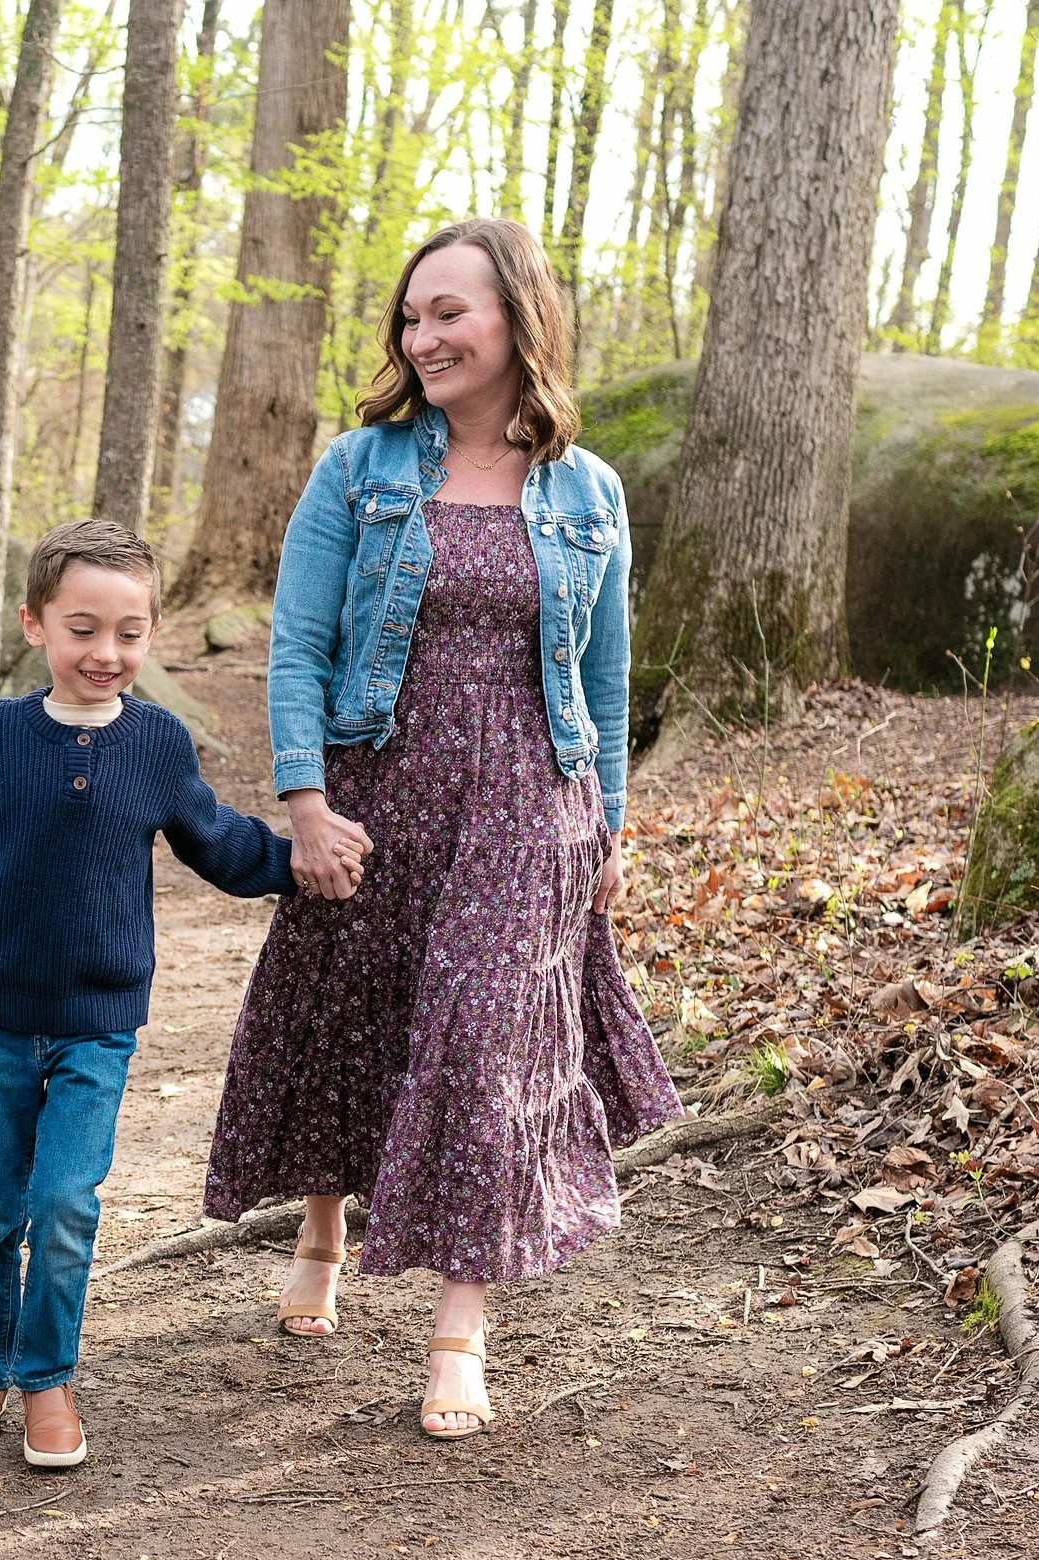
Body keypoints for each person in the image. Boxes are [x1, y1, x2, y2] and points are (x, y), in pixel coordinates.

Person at [200, 218, 682, 1440]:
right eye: (411, 319)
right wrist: (304, 802)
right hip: (381, 787)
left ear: (518, 318)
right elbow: (300, 643)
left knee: (479, 1040)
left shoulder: (588, 490)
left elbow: (608, 676)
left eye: (449, 314)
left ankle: (457, 1331)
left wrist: (609, 825)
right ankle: (322, 1226)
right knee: (349, 1010)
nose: (424, 338)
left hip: (531, 803)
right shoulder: (359, 466)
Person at [0, 521, 297, 1468]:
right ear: (34, 624)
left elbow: (217, 843)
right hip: (4, 1019)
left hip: (98, 1023)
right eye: (83, 629)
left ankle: (47, 1376)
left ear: (152, 631)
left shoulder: (157, 742)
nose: (106, 653)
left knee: (62, 1202)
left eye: (128, 634)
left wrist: (306, 863)